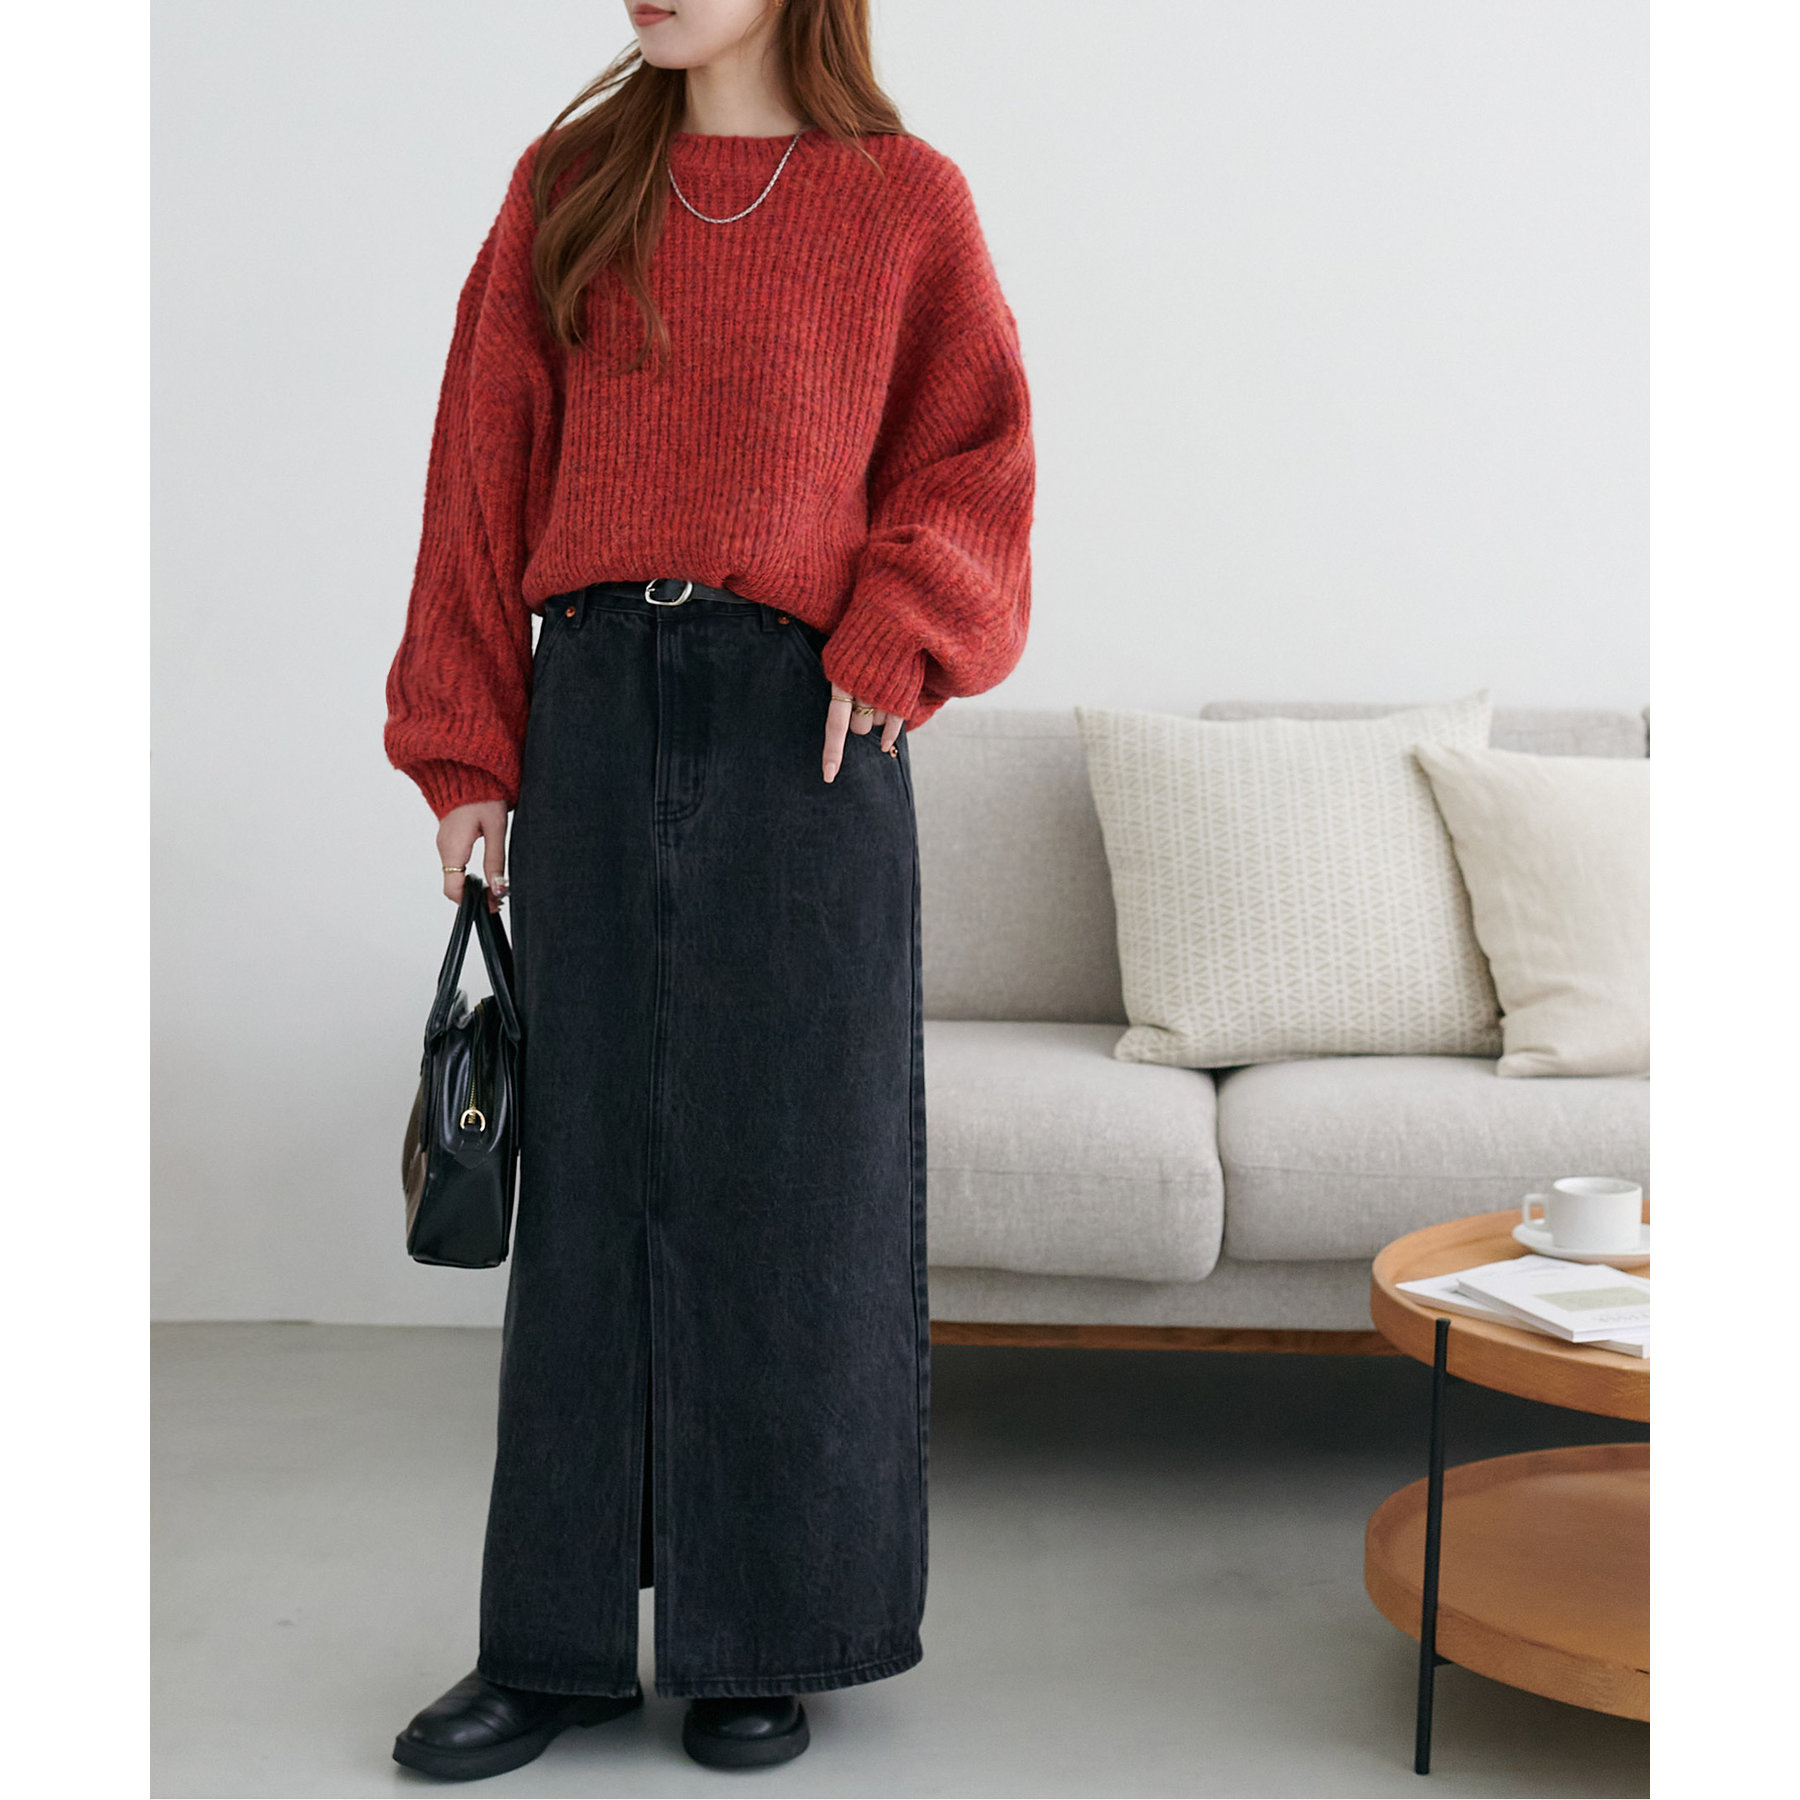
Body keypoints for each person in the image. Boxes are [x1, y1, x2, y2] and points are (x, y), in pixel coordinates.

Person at [382, 0, 1033, 1779]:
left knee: (799, 1189)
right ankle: (554, 1645)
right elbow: (478, 467)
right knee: (587, 1189)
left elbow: (977, 457)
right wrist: (465, 742)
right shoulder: (569, 185)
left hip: (802, 734)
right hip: (593, 706)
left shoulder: (905, 200)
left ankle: (771, 1630)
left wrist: (899, 630)